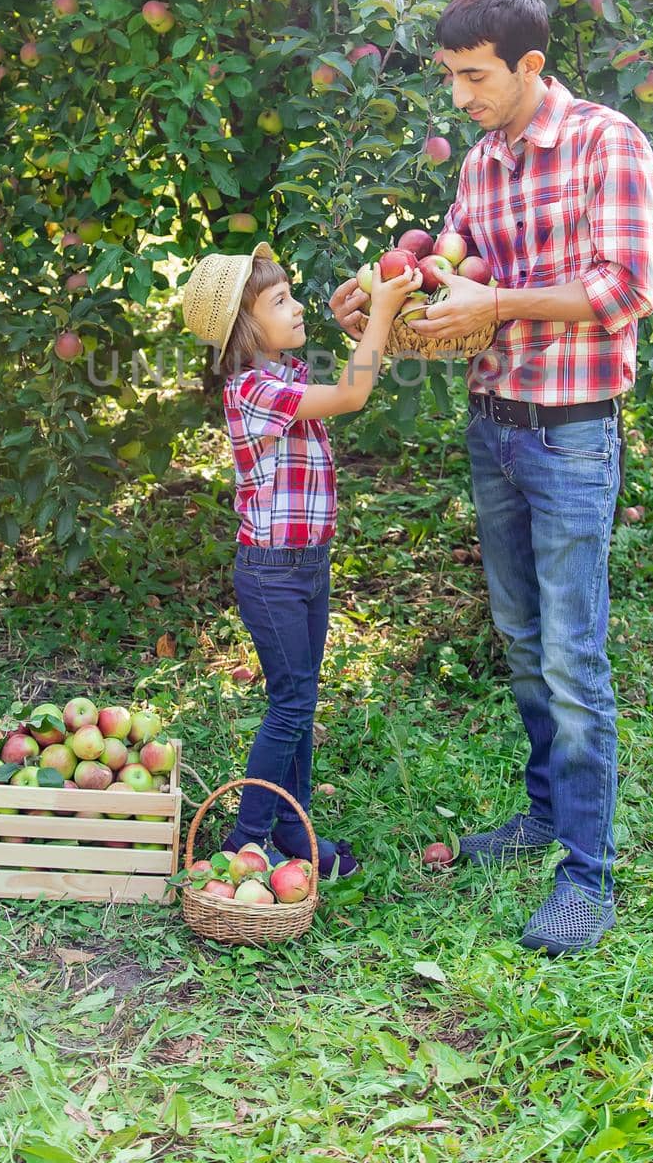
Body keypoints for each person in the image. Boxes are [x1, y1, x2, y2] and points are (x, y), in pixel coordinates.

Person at [329, 0, 653, 954]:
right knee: (523, 640)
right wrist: (384, 302)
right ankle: (542, 814)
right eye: (450, 77)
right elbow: (455, 274)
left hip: (571, 433)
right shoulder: (481, 164)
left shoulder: (608, 144)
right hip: (494, 427)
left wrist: (498, 306)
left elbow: (624, 287)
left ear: (529, 64)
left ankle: (589, 874)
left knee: (572, 654)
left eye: (473, 76)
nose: (460, 97)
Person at [182, 240, 420, 876]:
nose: (295, 308)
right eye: (279, 301)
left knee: (300, 700)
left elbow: (344, 381)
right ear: (244, 327)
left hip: (306, 565)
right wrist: (386, 304)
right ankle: (245, 839)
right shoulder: (252, 390)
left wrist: (384, 317)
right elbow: (349, 395)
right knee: (290, 703)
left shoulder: (280, 377)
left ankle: (294, 830)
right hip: (271, 572)